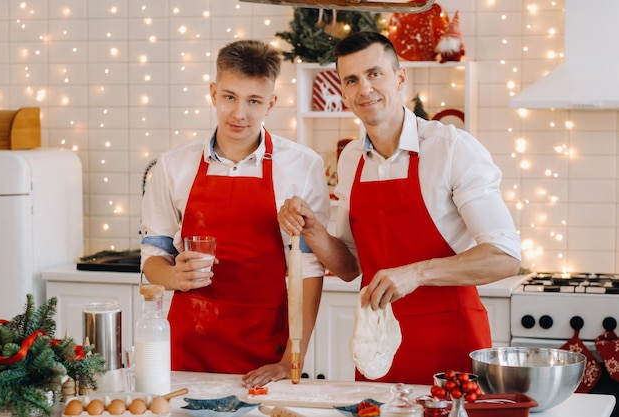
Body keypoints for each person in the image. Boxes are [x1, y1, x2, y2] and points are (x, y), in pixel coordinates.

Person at [278, 31, 521, 385]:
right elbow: (349, 267)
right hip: (376, 349)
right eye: (352, 80)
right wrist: (312, 229)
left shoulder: (451, 148)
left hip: (450, 347)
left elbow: (505, 256)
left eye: (375, 73)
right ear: (343, 92)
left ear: (400, 77)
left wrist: (416, 274)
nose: (365, 89)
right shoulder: (349, 160)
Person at [140, 39, 330, 388]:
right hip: (187, 351)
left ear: (272, 103)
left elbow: (309, 270)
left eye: (254, 101)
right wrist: (174, 278)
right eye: (229, 97)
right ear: (213, 92)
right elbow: (152, 259)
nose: (239, 113)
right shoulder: (172, 166)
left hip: (265, 353)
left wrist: (290, 359)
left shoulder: (303, 165)